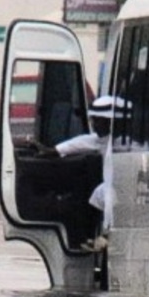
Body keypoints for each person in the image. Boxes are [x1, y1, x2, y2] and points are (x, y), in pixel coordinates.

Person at [31, 94, 118, 252]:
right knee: (98, 195)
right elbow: (77, 144)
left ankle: (105, 236)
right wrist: (51, 151)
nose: (94, 125)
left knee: (106, 195)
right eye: (93, 120)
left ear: (109, 121)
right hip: (109, 190)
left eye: (97, 120)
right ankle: (92, 237)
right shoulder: (100, 140)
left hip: (124, 190)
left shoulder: (126, 142)